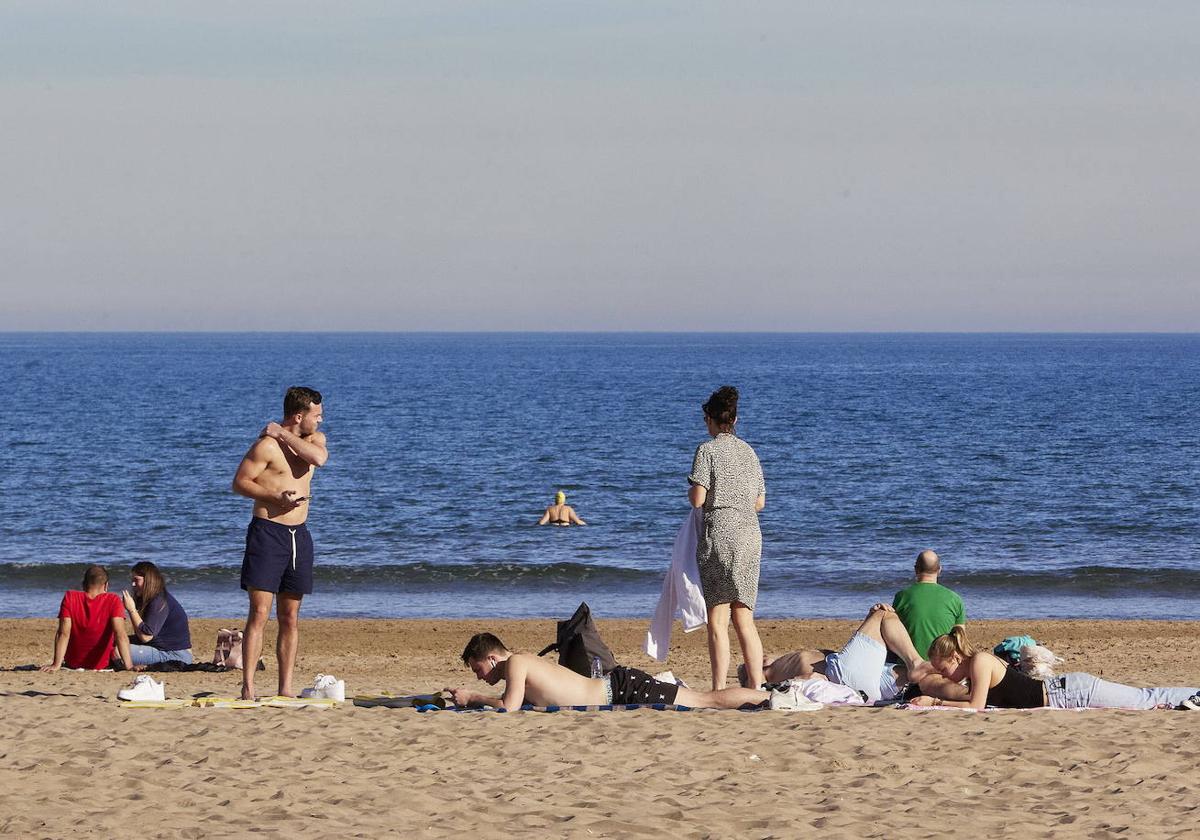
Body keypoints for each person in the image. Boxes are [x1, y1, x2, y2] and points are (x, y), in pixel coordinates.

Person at [232, 386, 328, 699]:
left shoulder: (314, 442)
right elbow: (240, 482)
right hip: (267, 532)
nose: (321, 420)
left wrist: (283, 433)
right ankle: (248, 686)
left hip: (299, 536)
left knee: (290, 617)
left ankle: (284, 688)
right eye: (316, 415)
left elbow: (320, 459)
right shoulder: (266, 447)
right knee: (259, 613)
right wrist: (275, 496)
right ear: (299, 416)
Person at [447, 633, 811, 712]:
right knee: (704, 700)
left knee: (706, 701)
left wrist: (471, 698)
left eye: (479, 670)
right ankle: (770, 696)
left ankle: (770, 696)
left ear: (493, 658)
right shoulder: (520, 664)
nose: (480, 677)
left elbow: (507, 708)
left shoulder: (519, 664)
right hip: (620, 687)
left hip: (623, 690)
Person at [912, 626, 1200, 710]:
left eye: (943, 668)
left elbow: (975, 706)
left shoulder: (981, 661)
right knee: (1144, 699)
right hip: (1065, 692)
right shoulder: (976, 668)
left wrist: (935, 701)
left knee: (1144, 698)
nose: (943, 675)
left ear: (956, 658)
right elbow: (970, 699)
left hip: (1072, 693)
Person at [689, 385, 767, 690]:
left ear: (710, 419)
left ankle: (720, 688)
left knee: (718, 620)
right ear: (734, 420)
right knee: (744, 619)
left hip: (720, 534)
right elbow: (759, 503)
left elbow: (698, 498)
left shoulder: (707, 450)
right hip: (750, 535)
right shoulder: (749, 452)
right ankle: (757, 686)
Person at [753, 604, 937, 703]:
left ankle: (918, 665)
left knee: (881, 617)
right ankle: (915, 662)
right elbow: (805, 678)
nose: (760, 658)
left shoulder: (779, 664)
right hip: (848, 676)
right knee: (883, 614)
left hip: (866, 678)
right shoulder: (769, 672)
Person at [42, 564, 133, 672]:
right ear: (106, 585)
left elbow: (63, 633)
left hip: (73, 664)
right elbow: (120, 635)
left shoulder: (70, 597)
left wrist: (56, 664)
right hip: (103, 665)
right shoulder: (113, 600)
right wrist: (129, 666)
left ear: (84, 584)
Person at [891, 549, 966, 658]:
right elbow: (960, 639)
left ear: (916, 569)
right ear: (939, 570)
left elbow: (894, 631)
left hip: (909, 664)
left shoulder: (901, 597)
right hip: (942, 664)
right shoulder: (955, 599)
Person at [120, 561, 193, 667]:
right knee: (114, 643)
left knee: (118, 650)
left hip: (175, 654)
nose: (133, 584)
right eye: (132, 580)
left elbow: (145, 637)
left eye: (136, 580)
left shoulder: (159, 600)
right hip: (161, 648)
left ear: (149, 580)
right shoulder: (152, 598)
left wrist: (132, 610)